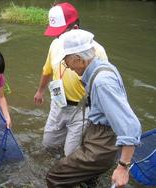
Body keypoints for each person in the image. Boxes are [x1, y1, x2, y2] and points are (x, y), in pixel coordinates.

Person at [46, 29, 142, 187]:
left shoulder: (102, 82)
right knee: (87, 180)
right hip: (98, 136)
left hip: (102, 145)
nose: (67, 67)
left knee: (55, 176)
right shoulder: (103, 67)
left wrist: (123, 167)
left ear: (79, 59)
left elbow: (131, 127)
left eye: (66, 61)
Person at [34, 2, 108, 156]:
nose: (57, 37)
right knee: (48, 145)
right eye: (55, 33)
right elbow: (47, 70)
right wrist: (40, 91)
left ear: (74, 28)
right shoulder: (55, 45)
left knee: (70, 155)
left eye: (60, 33)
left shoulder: (97, 51)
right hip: (57, 103)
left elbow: (104, 87)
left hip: (81, 110)